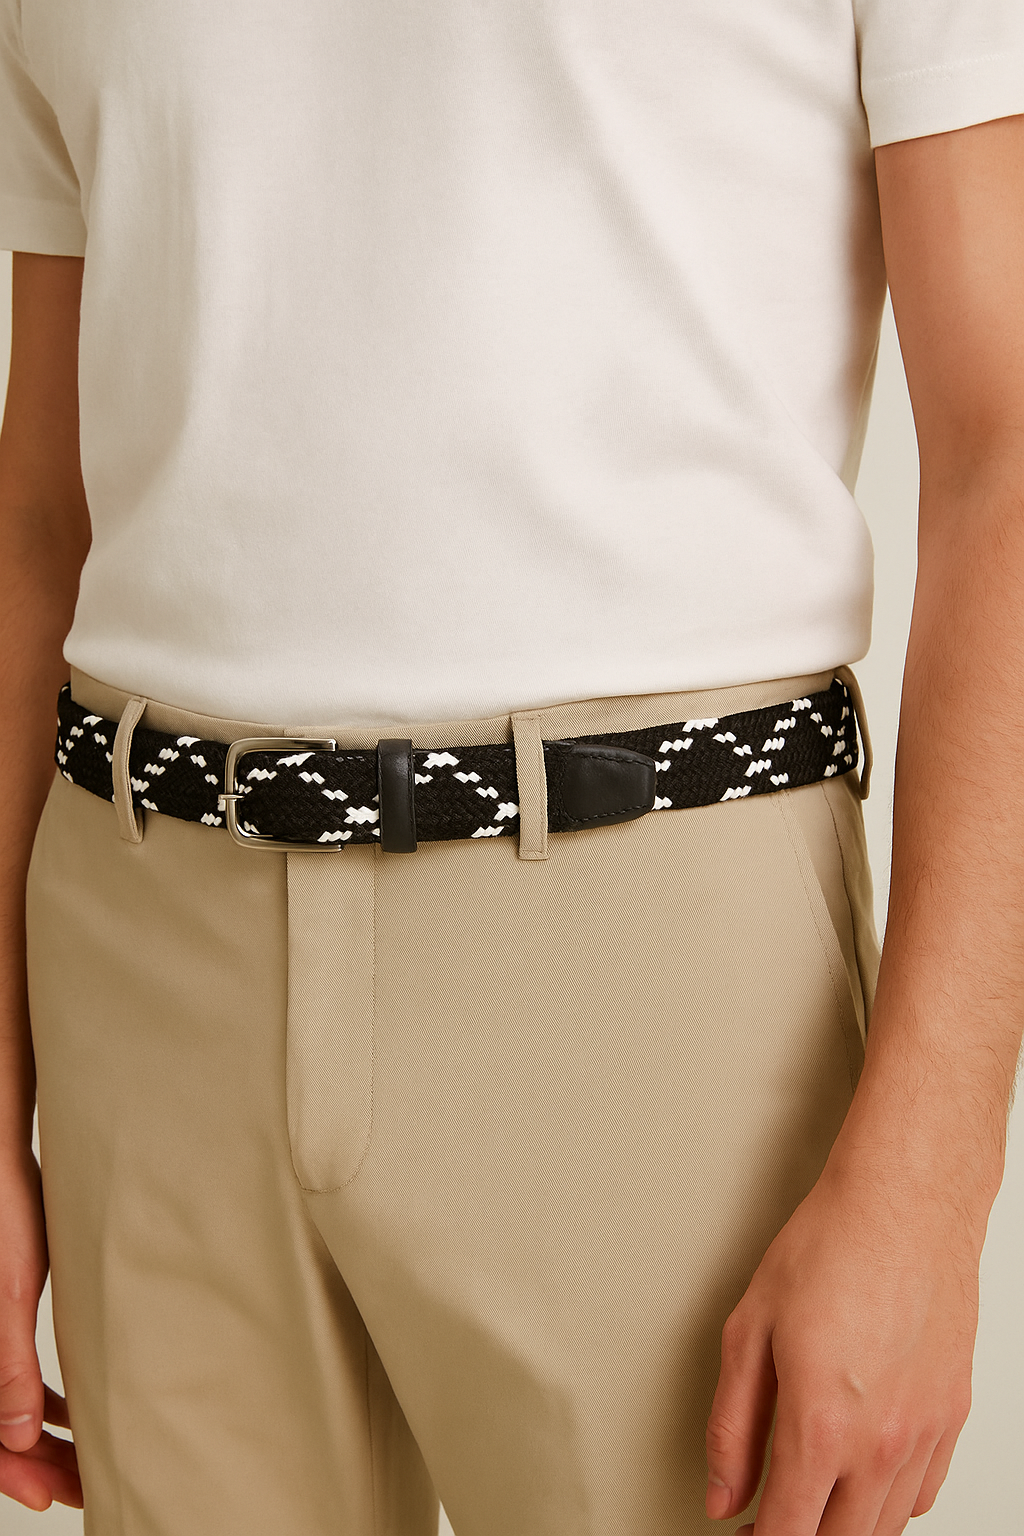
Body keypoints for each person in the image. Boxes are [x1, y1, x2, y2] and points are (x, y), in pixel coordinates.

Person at [1, 4, 1023, 1533]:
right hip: (145, 966)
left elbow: (1007, 447)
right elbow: (43, 513)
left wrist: (933, 1185)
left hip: (653, 965)